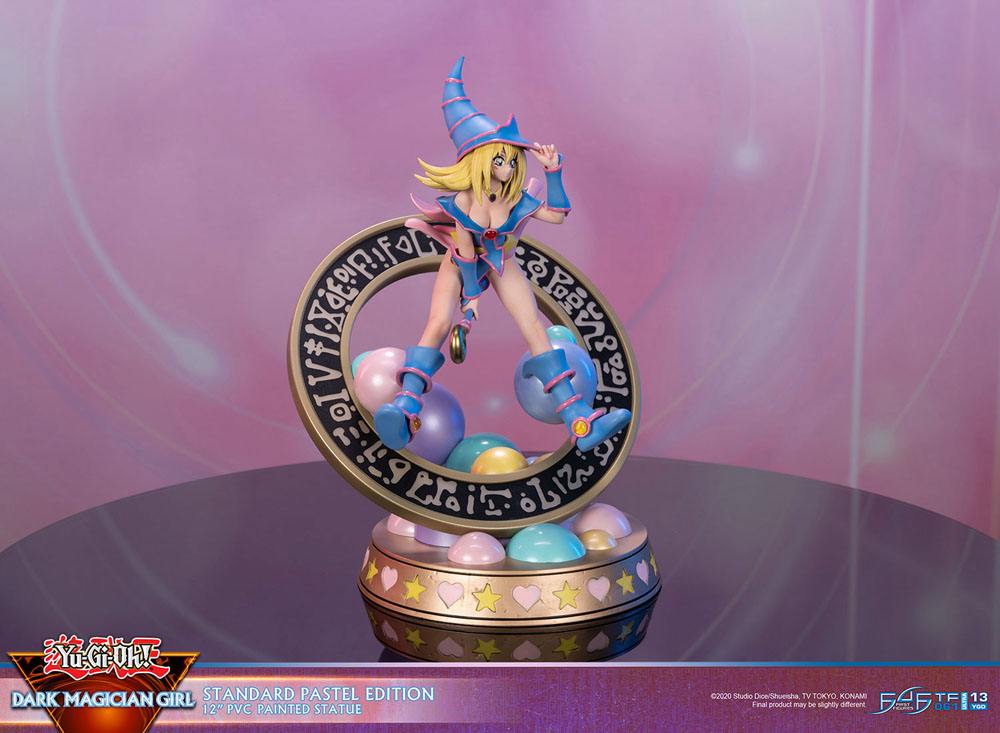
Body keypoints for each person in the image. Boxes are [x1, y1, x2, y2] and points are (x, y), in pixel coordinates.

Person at [374, 57, 631, 455]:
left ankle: (579, 420)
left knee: (535, 328)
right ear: (479, 160)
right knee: (438, 323)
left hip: (502, 262)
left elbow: (558, 215)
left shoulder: (516, 199)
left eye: (512, 160)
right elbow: (464, 253)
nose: (508, 167)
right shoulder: (464, 201)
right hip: (461, 265)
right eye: (499, 159)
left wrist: (553, 172)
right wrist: (470, 303)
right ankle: (404, 407)